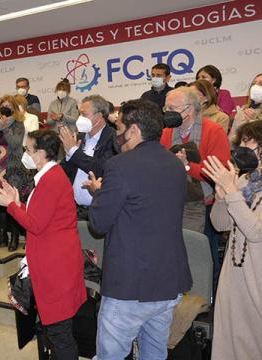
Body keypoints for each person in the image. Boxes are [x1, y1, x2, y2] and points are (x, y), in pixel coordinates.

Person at [85, 99, 192, 360]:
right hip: (168, 281)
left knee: (111, 355)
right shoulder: (176, 165)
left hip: (130, 285)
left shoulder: (120, 166)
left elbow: (98, 224)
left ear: (133, 131)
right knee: (154, 353)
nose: (117, 134)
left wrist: (99, 195)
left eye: (119, 126)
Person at [0, 129, 86, 360]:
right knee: (56, 331)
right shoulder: (48, 176)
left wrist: (10, 205)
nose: (25, 154)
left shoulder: (51, 180)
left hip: (55, 267)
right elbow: (40, 217)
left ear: (41, 153)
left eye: (28, 150)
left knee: (60, 335)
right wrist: (17, 203)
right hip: (54, 262)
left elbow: (36, 224)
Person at [204, 121, 262, 360]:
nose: (241, 148)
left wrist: (231, 193)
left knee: (258, 342)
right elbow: (220, 225)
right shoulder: (243, 181)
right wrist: (221, 197)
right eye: (240, 143)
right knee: (229, 340)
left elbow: (257, 231)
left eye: (248, 143)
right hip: (234, 277)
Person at [162, 87, 231, 276]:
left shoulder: (213, 130)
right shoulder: (167, 132)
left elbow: (220, 172)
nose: (167, 112)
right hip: (175, 202)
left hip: (206, 205)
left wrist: (187, 167)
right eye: (165, 108)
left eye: (171, 108)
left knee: (203, 257)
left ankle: (208, 297)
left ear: (189, 109)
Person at [59, 95, 119, 221]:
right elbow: (65, 172)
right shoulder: (79, 137)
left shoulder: (113, 138)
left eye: (84, 114)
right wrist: (69, 155)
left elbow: (102, 169)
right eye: (79, 114)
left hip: (99, 209)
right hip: (74, 209)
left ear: (100, 115)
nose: (80, 119)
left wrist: (74, 151)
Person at [0, 95, 31, 251]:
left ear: (14, 108)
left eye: (9, 105)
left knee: (13, 203)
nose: (5, 108)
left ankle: (15, 238)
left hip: (13, 168)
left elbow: (15, 143)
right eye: (3, 105)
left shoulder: (18, 124)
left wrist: (4, 128)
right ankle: (2, 235)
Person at [229, 72, 262, 141]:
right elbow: (232, 141)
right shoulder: (243, 112)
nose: (255, 87)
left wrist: (254, 122)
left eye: (261, 84)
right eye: (253, 84)